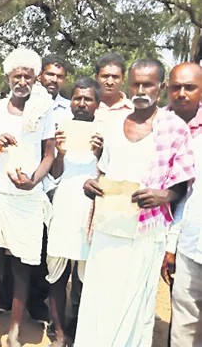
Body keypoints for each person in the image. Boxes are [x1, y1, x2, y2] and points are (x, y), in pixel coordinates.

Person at [79, 59, 194, 346]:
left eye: (148, 84)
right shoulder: (114, 124)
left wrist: (164, 196)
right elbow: (103, 172)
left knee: (132, 306)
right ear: (129, 86)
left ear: (161, 88)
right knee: (98, 300)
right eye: (136, 84)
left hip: (145, 233)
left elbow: (181, 185)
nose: (141, 90)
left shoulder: (175, 128)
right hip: (108, 229)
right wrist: (90, 185)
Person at [0, 47, 55, 347]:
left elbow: (49, 154)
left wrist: (34, 181)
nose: (22, 81)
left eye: (28, 76)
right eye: (17, 75)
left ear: (36, 79)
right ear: (8, 77)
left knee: (22, 268)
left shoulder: (43, 111)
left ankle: (15, 330)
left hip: (27, 197)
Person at [44, 78, 103, 347]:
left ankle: (79, 326)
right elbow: (55, 174)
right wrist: (59, 153)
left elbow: (109, 174)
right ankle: (58, 331)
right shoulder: (61, 130)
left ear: (97, 104)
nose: (81, 103)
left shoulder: (105, 132)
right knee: (57, 273)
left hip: (91, 211)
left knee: (86, 276)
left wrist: (101, 154)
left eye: (87, 99)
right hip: (64, 207)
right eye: (77, 98)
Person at [161, 63, 202, 346]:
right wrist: (171, 245)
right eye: (177, 87)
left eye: (191, 87)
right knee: (184, 326)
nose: (183, 93)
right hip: (188, 244)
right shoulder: (155, 123)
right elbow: (187, 197)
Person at [94, 52, 133, 124]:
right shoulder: (87, 107)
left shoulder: (134, 110)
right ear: (96, 78)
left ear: (123, 79)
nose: (110, 82)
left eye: (115, 77)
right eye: (105, 76)